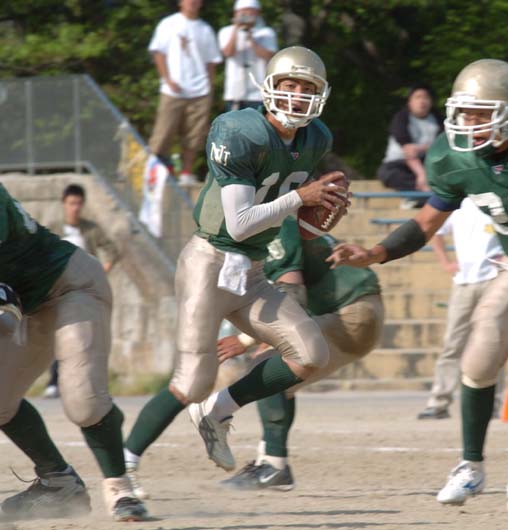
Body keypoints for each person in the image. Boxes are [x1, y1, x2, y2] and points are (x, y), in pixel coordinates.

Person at [329, 59, 508, 513]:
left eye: (480, 113)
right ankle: (470, 467)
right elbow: (427, 222)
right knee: (477, 361)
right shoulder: (455, 158)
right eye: (464, 113)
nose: (469, 123)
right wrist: (375, 253)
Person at [123, 46, 347, 499]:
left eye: (306, 88)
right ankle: (121, 467)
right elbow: (240, 222)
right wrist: (301, 199)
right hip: (209, 263)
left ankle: (218, 411)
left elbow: (291, 216)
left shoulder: (315, 137)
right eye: (289, 86)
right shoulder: (238, 130)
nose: (297, 96)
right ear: (270, 88)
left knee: (310, 354)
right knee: (192, 380)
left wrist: (317, 215)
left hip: (254, 270)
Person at [0, 184, 148, 521]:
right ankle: (58, 483)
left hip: (70, 285)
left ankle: (120, 487)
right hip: (26, 304)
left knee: (83, 399)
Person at [214, 216, 384, 490]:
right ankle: (268, 458)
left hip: (351, 312)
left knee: (264, 370)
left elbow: (292, 294)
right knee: (282, 378)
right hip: (357, 308)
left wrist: (246, 340)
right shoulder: (277, 220)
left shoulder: (276, 224)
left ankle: (274, 466)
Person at [417, 197, 504, 420]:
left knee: (492, 343)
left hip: (495, 279)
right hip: (464, 281)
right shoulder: (456, 202)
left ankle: (491, 403)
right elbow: (436, 231)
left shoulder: (496, 198)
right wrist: (445, 262)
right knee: (453, 343)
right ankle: (439, 401)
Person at [43, 184, 121, 399]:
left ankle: (90, 384)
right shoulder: (53, 229)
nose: (75, 208)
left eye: (78, 203)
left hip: (85, 290)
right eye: (71, 203)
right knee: (61, 336)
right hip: (59, 290)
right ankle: (54, 381)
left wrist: (102, 271)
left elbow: (112, 250)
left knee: (88, 338)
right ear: (64, 204)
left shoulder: (90, 230)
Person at [147, 0, 222, 186]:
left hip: (199, 90)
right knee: (163, 132)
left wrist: (209, 87)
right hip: (173, 89)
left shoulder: (205, 29)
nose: (192, 2)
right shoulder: (168, 24)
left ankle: (186, 172)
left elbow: (211, 62)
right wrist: (167, 79)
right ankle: (155, 171)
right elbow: (158, 53)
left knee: (194, 135)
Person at [377, 84, 443, 208]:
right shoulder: (401, 118)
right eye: (418, 97)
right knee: (388, 174)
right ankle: (420, 197)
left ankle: (421, 198)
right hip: (399, 164)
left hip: (429, 163)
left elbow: (442, 146)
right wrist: (422, 175)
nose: (422, 101)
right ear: (410, 102)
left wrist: (421, 149)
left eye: (426, 97)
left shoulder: (438, 119)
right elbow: (409, 152)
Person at [218, 0, 278, 112]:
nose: (247, 15)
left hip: (259, 93)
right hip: (235, 92)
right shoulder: (226, 31)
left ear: (257, 13)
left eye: (251, 12)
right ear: (236, 13)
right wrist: (236, 28)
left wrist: (251, 38)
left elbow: (269, 56)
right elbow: (227, 53)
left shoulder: (267, 32)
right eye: (243, 12)